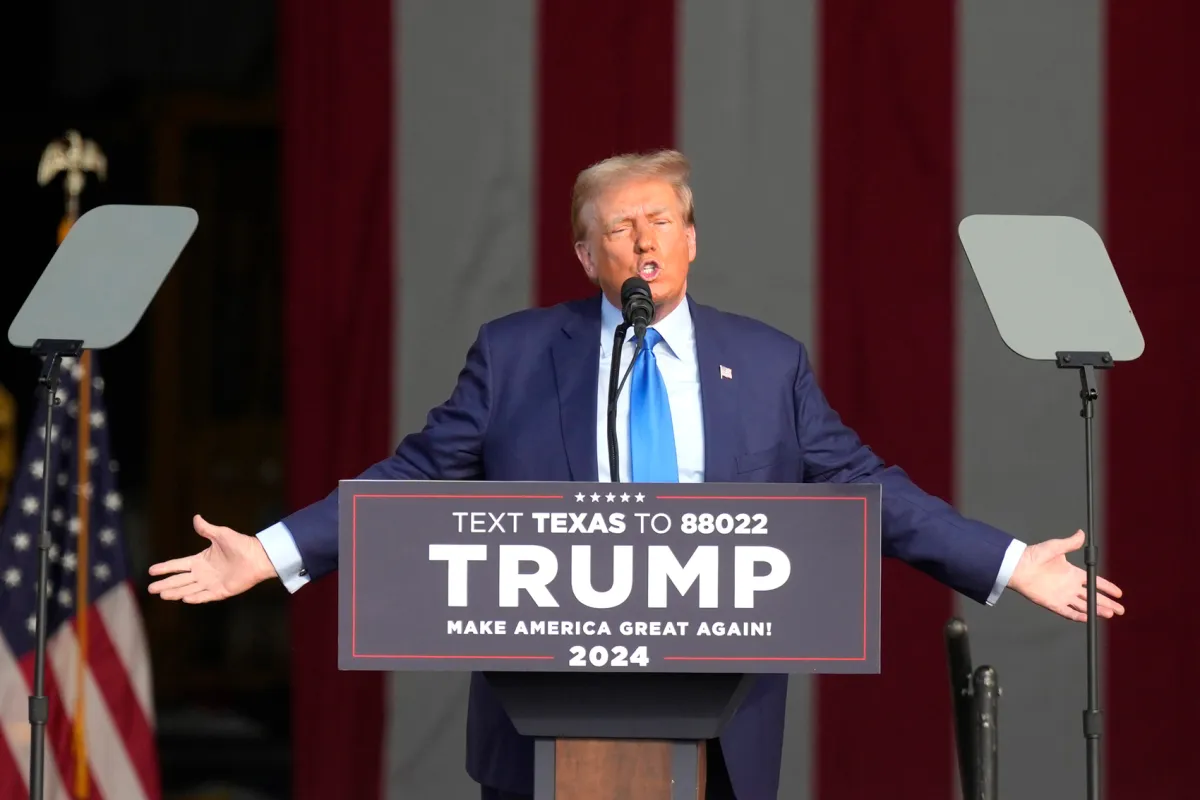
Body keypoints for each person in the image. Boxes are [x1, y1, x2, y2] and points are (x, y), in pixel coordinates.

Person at [147, 149, 1125, 800]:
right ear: (586, 252)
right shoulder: (518, 355)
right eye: (621, 226)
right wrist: (272, 554)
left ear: (693, 239)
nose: (646, 240)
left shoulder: (770, 362)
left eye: (662, 220)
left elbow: (865, 487)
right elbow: (411, 479)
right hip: (546, 718)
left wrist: (1002, 560)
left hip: (715, 714)